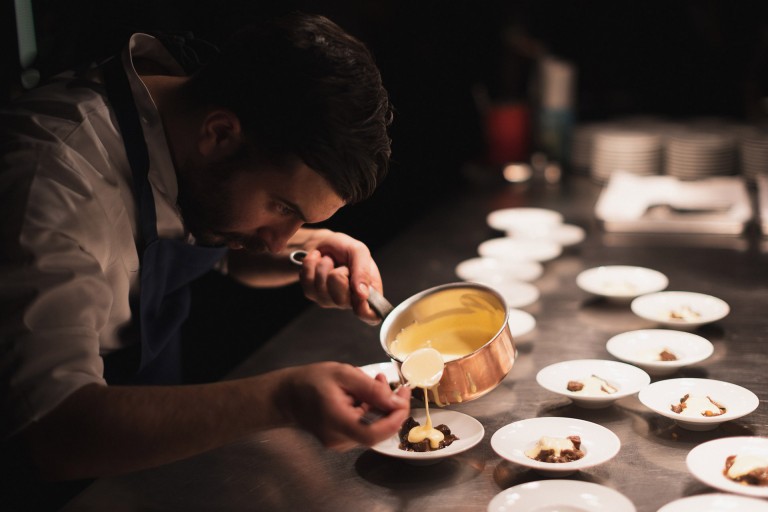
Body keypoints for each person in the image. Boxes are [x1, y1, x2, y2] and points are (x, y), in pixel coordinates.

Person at [0, 11, 411, 489]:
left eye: (301, 222)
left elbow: (217, 244)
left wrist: (310, 246)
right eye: (282, 207)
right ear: (219, 134)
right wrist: (284, 400)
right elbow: (57, 433)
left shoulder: (187, 125)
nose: (281, 237)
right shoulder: (48, 183)